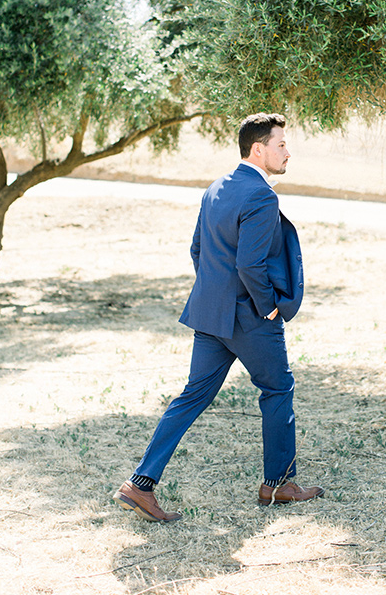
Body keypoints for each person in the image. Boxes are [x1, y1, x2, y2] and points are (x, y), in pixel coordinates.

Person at [113, 113, 324, 522]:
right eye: (281, 144)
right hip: (249, 318)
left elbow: (197, 250)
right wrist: (268, 306)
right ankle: (278, 484)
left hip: (210, 315)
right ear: (258, 149)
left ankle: (140, 485)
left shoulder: (215, 188)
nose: (287, 152)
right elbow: (250, 264)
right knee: (278, 390)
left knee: (191, 397)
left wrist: (217, 295)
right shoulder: (262, 196)